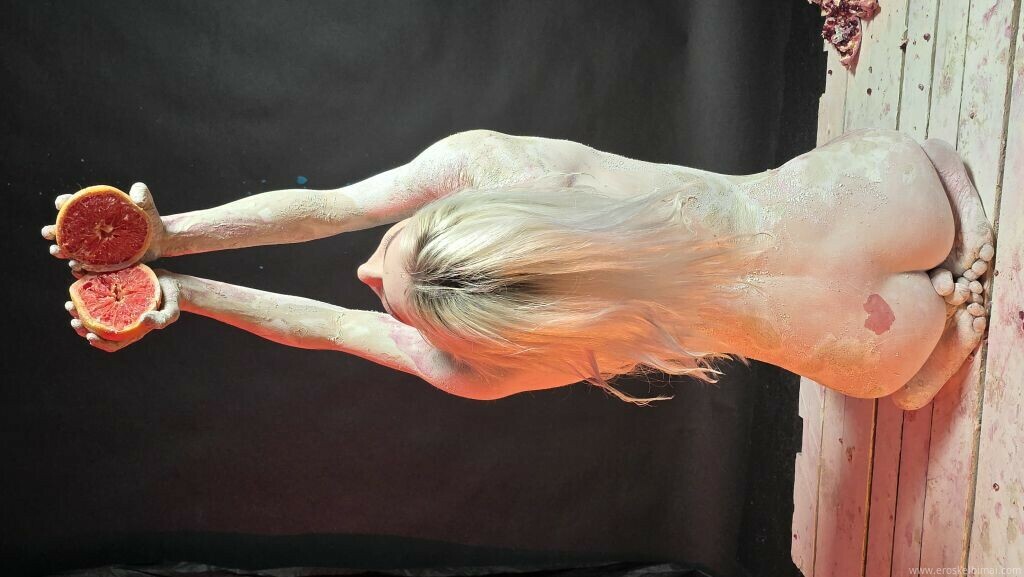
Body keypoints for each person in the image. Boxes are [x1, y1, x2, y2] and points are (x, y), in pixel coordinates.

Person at [41, 129, 994, 409]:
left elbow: (322, 328)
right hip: (891, 196)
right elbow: (331, 209)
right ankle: (965, 246)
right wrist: (168, 240)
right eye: (394, 286)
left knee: (898, 385)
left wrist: (179, 283)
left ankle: (947, 334)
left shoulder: (489, 364)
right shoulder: (502, 170)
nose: (364, 273)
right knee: (923, 169)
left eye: (384, 267)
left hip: (876, 349)